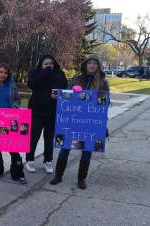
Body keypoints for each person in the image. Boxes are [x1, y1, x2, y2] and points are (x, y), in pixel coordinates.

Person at [50, 54, 110, 189]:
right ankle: (58, 176)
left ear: (98, 66)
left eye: (95, 63)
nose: (92, 65)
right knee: (64, 149)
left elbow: (105, 103)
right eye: (90, 63)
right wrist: (60, 94)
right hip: (72, 122)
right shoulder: (77, 79)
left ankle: (81, 179)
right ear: (86, 65)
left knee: (86, 151)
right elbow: (65, 95)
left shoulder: (103, 82)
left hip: (89, 124)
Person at [26, 54, 68, 174]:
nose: (49, 66)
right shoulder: (35, 72)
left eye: (51, 64)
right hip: (37, 111)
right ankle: (29, 159)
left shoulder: (59, 73)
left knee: (49, 139)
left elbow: (64, 86)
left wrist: (54, 79)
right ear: (41, 64)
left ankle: (48, 160)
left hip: (52, 111)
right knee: (33, 138)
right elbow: (31, 84)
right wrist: (44, 74)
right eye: (46, 64)